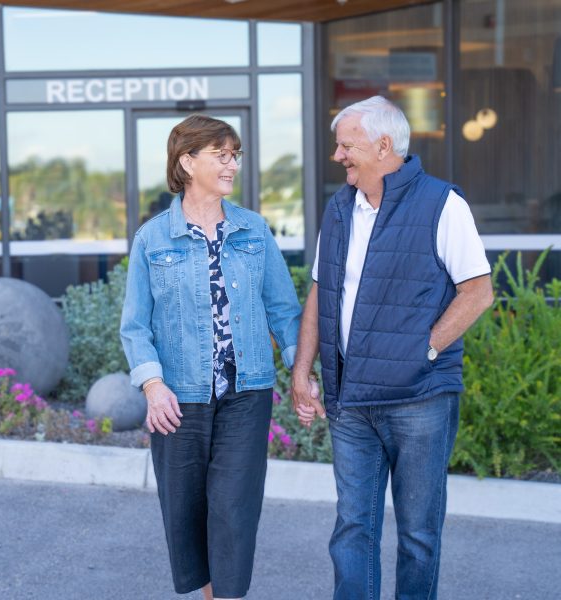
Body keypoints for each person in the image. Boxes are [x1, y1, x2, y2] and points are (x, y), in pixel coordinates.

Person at [291, 96, 494, 599]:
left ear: (384, 146)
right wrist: (302, 369)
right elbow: (321, 289)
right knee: (352, 531)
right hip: (351, 401)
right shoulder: (339, 209)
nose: (338, 155)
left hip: (420, 399)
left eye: (346, 145)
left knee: (419, 536)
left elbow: (478, 292)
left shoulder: (443, 203)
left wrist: (424, 349)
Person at [120, 114, 301, 600]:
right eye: (221, 154)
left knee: (234, 509)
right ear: (186, 161)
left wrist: (302, 370)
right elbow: (135, 326)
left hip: (247, 392)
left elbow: (284, 310)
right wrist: (153, 387)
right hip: (180, 395)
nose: (232, 164)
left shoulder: (253, 229)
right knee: (185, 513)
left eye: (235, 154)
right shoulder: (153, 239)